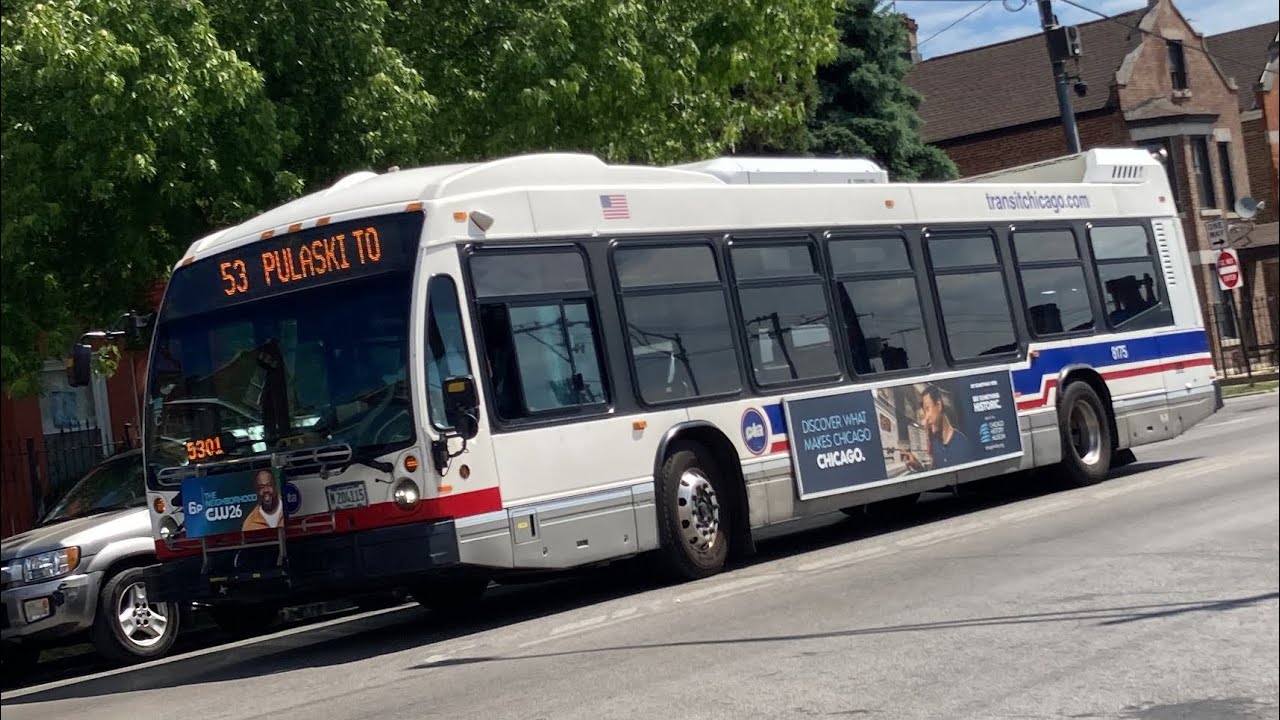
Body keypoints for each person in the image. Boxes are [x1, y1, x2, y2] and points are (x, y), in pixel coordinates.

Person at [903, 385, 973, 472]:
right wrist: (919, 467)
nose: (926, 418)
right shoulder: (935, 442)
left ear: (939, 405)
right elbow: (935, 477)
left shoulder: (962, 443)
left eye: (927, 409)